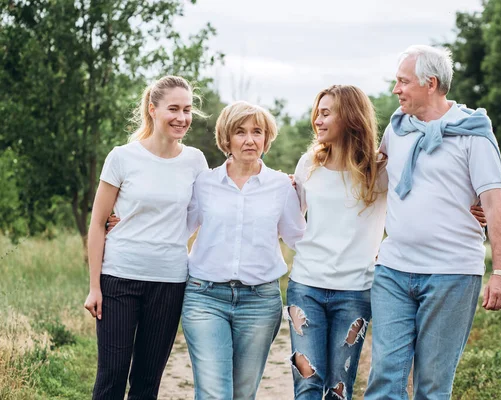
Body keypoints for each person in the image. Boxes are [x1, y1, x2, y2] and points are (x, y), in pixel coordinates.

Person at [364, 45, 501, 400]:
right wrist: (307, 175)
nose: (396, 89)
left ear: (430, 83)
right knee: (385, 377)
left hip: (452, 274)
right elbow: (372, 184)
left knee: (432, 385)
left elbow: (494, 205)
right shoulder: (396, 129)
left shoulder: (473, 133)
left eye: (403, 82)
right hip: (394, 271)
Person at [83, 75, 209, 399]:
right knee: (111, 377)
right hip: (118, 279)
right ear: (153, 110)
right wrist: (94, 287)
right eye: (174, 109)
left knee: (147, 381)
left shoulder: (195, 161)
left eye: (187, 109)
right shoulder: (122, 157)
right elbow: (97, 224)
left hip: (169, 282)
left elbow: (201, 213)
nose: (182, 118)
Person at [183, 101, 306, 399]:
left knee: (242, 394)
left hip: (260, 303)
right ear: (226, 139)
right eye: (240, 132)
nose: (250, 140)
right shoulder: (204, 182)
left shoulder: (281, 186)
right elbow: (176, 228)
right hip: (205, 298)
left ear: (266, 138)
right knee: (214, 393)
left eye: (257, 132)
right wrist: (122, 221)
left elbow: (299, 238)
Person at [285, 85, 387, 400]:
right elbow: (289, 219)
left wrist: (470, 209)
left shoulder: (378, 170)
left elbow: (418, 203)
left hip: (355, 291)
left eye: (326, 113)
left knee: (338, 390)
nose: (318, 119)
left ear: (349, 117)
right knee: (307, 385)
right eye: (318, 112)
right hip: (306, 286)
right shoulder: (308, 163)